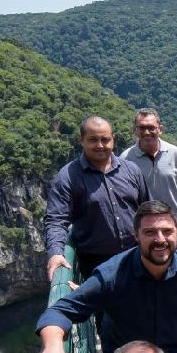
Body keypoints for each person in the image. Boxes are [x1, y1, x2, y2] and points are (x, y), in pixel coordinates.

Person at [33, 200, 177, 353]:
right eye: (150, 232)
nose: (160, 239)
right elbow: (58, 311)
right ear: (136, 236)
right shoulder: (111, 276)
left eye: (167, 231)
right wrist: (53, 346)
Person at [44, 116, 150, 281]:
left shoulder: (131, 170)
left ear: (113, 139)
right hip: (95, 265)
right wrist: (56, 253)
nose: (100, 145)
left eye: (105, 139)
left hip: (136, 256)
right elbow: (56, 220)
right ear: (82, 140)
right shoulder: (68, 177)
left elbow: (146, 210)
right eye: (93, 140)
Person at [121, 108, 177, 229]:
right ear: (135, 130)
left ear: (160, 129)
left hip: (176, 223)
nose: (147, 132)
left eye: (151, 127)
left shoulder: (175, 153)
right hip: (144, 226)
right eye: (142, 128)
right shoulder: (125, 159)